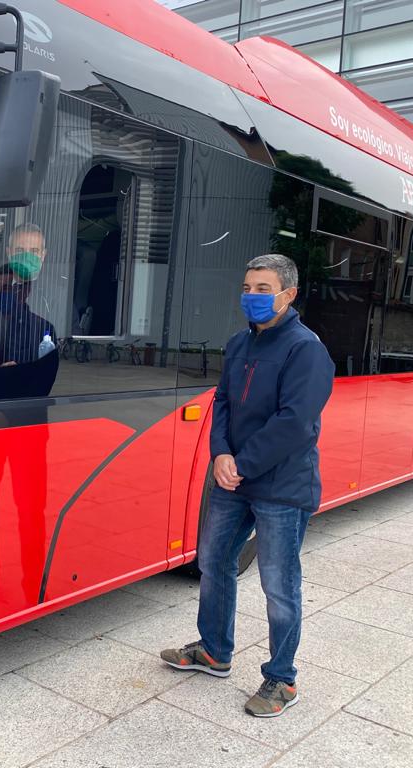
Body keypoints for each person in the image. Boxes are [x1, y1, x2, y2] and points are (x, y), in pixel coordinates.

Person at [160, 254, 334, 718]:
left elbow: (295, 422)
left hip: (280, 485)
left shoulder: (306, 349)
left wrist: (242, 464)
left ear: (289, 294)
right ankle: (214, 651)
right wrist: (220, 454)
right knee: (214, 562)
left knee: (279, 585)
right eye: (248, 287)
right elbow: (222, 402)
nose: (252, 297)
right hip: (233, 478)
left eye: (263, 289)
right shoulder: (239, 344)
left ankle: (282, 678)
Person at [0, 224, 59, 602]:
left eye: (34, 250)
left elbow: (46, 377)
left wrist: (13, 375)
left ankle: (33, 581)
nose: (27, 255)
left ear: (44, 256)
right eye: (20, 247)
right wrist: (15, 377)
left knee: (31, 507)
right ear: (8, 249)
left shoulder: (50, 307)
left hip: (30, 427)